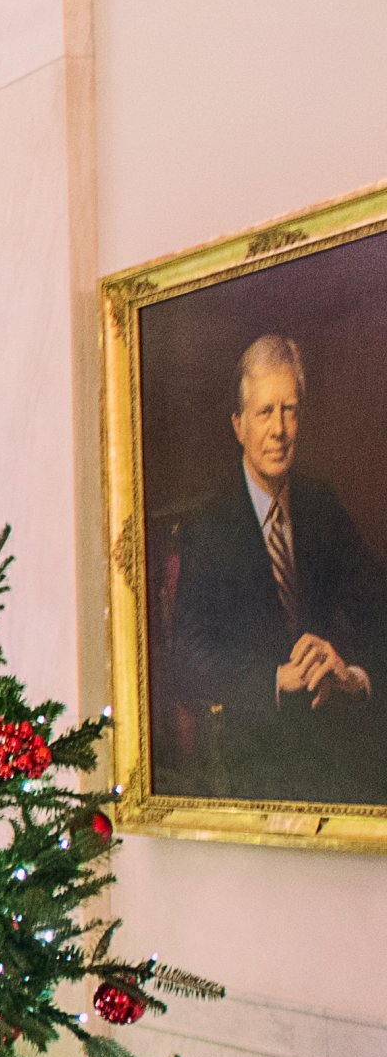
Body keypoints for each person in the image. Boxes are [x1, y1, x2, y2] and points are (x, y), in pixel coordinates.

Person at [164, 333, 387, 803]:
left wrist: (350, 674)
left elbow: (379, 608)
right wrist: (275, 679)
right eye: (266, 412)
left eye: (289, 410)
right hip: (250, 751)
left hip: (334, 738)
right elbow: (188, 657)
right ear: (239, 425)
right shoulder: (209, 523)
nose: (279, 430)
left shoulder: (322, 506)